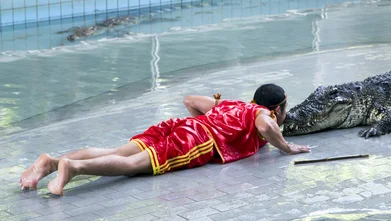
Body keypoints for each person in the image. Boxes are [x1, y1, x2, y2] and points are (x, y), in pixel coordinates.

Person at [20, 83, 310, 195]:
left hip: (179, 126)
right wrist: (285, 147)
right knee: (132, 165)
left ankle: (50, 162)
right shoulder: (262, 114)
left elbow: (191, 100)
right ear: (277, 109)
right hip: (196, 140)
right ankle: (72, 168)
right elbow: (266, 125)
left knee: (117, 151)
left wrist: (206, 124)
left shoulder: (235, 105)